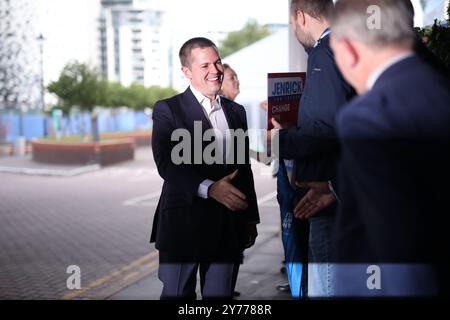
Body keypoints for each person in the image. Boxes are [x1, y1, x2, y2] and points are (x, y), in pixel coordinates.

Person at [296, 0, 450, 296]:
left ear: (349, 49)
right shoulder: (440, 81)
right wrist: (335, 187)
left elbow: (384, 243)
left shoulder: (370, 115)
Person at [150, 37, 260, 299]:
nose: (215, 70)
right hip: (183, 225)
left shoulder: (237, 111)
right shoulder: (168, 109)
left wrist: (250, 218)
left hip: (227, 226)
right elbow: (166, 163)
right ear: (186, 72)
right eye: (205, 65)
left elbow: (243, 167)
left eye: (218, 62)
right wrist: (210, 189)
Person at [271, 0, 354, 298]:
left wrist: (280, 139)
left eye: (292, 26)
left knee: (325, 287)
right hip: (342, 190)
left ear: (301, 17)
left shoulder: (324, 51)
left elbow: (326, 128)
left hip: (330, 202)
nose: (295, 32)